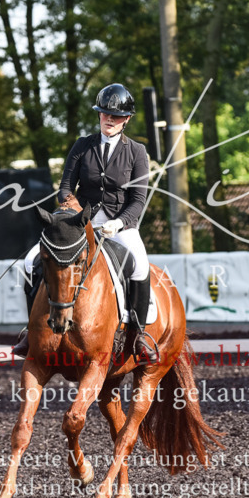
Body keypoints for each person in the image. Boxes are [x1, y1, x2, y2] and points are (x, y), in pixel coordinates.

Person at [13, 82, 156, 361]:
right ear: (99, 114)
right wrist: (76, 211)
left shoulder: (137, 152)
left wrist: (120, 223)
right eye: (105, 114)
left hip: (118, 224)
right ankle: (31, 331)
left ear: (126, 119)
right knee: (29, 261)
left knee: (139, 264)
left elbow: (138, 199)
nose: (109, 119)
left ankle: (138, 334)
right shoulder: (82, 146)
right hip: (81, 222)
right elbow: (65, 188)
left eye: (115, 116)